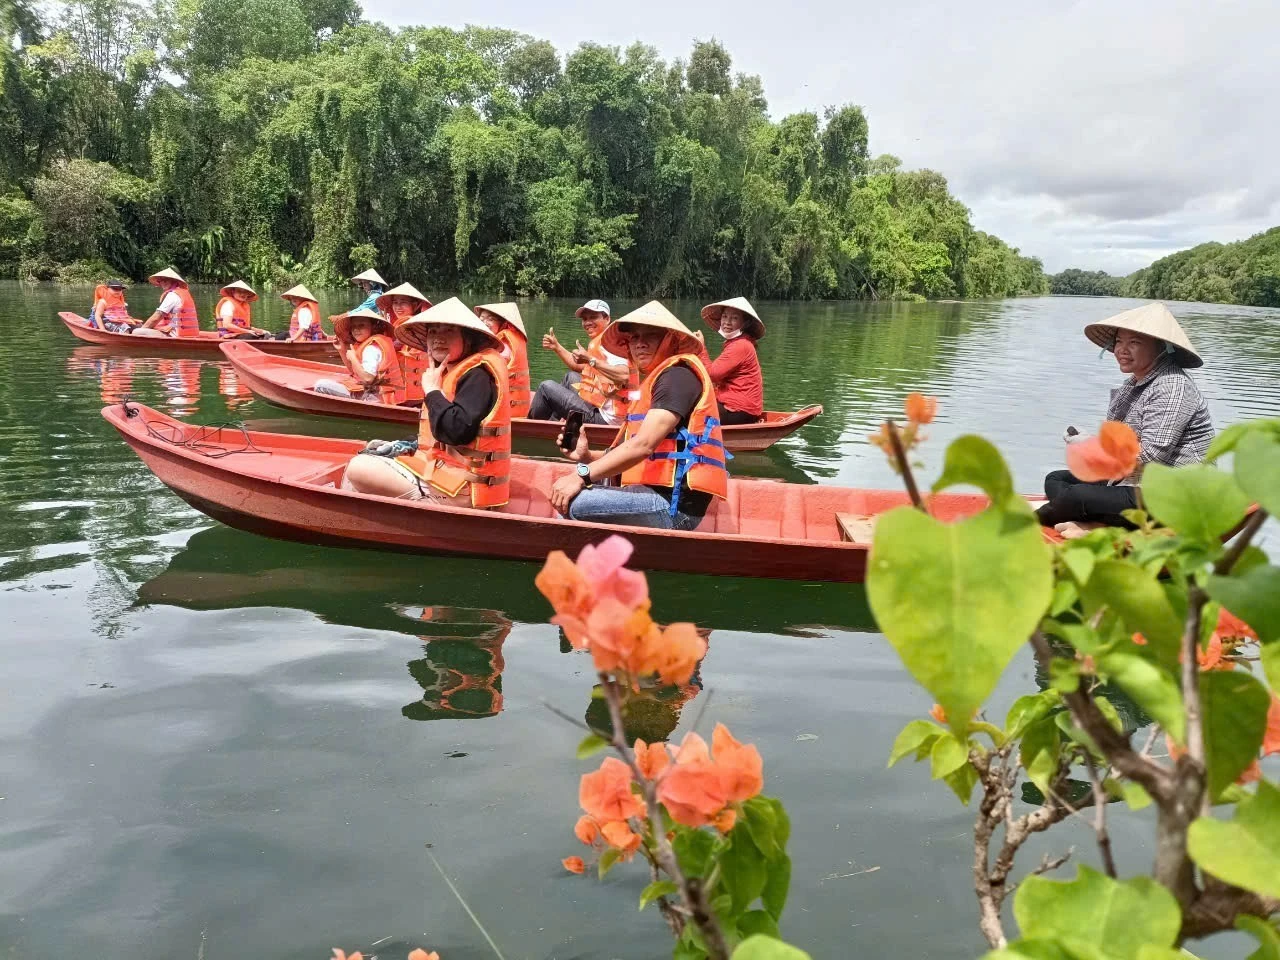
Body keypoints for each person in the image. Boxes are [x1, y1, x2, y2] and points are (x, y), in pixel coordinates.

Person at [550, 301, 729, 531]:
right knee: (573, 489)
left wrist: (581, 475)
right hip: (653, 494)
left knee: (573, 501)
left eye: (651, 336)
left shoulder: (677, 377)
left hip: (673, 508)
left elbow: (643, 445)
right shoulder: (660, 377)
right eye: (634, 338)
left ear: (671, 340)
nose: (640, 344)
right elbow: (638, 450)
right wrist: (587, 456)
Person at [1037, 302, 1215, 532]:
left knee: (1076, 495)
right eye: (1119, 341)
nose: (1122, 349)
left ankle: (1034, 520)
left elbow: (1151, 456)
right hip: (1135, 483)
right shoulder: (1133, 385)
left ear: (1163, 347)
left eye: (1134, 343)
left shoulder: (1172, 386)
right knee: (1056, 479)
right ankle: (1097, 521)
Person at [340, 297, 511, 509]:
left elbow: (456, 430)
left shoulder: (477, 376)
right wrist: (409, 445)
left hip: (462, 490)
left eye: (448, 331)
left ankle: (417, 509)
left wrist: (431, 390)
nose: (438, 338)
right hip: (450, 477)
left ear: (468, 338)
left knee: (357, 467)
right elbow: (443, 439)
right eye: (433, 331)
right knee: (373, 447)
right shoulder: (457, 372)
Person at [530, 298, 637, 425]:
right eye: (585, 319)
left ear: (607, 319)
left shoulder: (613, 344)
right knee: (570, 377)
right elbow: (580, 367)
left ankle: (530, 431)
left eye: (593, 317)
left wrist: (590, 360)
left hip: (608, 419)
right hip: (601, 406)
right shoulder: (602, 340)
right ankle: (555, 424)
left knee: (545, 387)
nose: (588, 322)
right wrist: (557, 347)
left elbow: (624, 375)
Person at [313, 307, 405, 403]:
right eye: (353, 327)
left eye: (361, 325)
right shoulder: (372, 343)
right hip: (380, 395)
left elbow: (368, 379)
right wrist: (342, 350)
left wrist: (353, 358)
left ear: (373, 327)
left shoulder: (371, 348)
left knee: (320, 385)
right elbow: (355, 372)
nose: (356, 329)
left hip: (373, 398)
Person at [700, 297, 765, 424]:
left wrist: (701, 348)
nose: (727, 322)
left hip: (739, 410)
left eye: (734, 318)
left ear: (744, 323)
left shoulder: (740, 345)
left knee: (689, 411)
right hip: (739, 407)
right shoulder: (736, 343)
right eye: (724, 317)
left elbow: (712, 374)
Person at [376, 282, 433, 404]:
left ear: (416, 305)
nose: (398, 307)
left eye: (403, 302)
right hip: (409, 387)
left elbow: (394, 346)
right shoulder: (407, 324)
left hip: (411, 391)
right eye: (395, 303)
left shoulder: (413, 326)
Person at [475, 302, 531, 418]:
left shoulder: (504, 345)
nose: (484, 322)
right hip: (516, 406)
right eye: (482, 318)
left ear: (503, 323)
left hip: (507, 410)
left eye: (490, 319)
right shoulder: (512, 337)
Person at [137, 267, 200, 338]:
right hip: (188, 334)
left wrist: (142, 329)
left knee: (137, 331)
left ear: (173, 281)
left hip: (176, 336)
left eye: (166, 280)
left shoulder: (172, 295)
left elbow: (157, 317)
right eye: (160, 281)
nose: (163, 283)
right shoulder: (183, 292)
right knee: (139, 325)